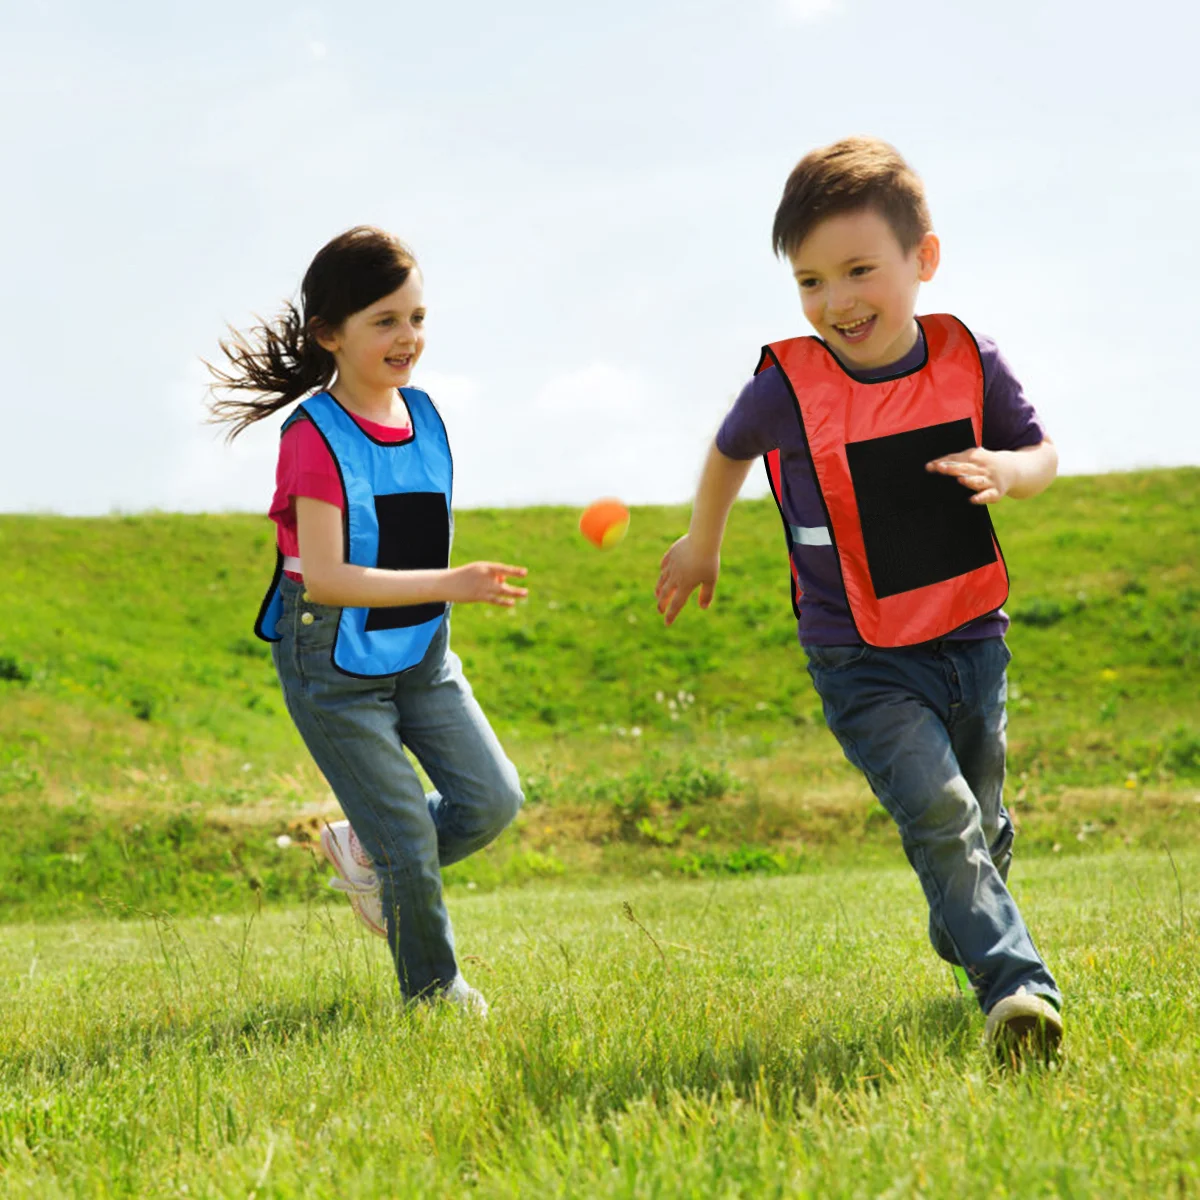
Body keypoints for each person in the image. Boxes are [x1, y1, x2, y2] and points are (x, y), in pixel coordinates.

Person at [655, 137, 1063, 1063]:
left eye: (857, 271)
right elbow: (728, 450)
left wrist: (1010, 469)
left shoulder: (969, 358)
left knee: (984, 819)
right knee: (942, 816)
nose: (835, 300)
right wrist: (704, 540)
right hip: (861, 657)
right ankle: (1018, 989)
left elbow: (1041, 453)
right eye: (808, 281)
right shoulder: (788, 388)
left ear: (923, 259)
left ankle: (966, 921)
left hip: (972, 635)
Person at [208, 226, 528, 1014]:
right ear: (330, 334)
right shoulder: (313, 439)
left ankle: (367, 849)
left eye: (417, 318)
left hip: (421, 654)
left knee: (493, 800)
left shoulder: (426, 416)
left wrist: (443, 595)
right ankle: (433, 992)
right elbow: (325, 576)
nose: (408, 338)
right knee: (412, 846)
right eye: (385, 321)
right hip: (333, 666)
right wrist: (455, 581)